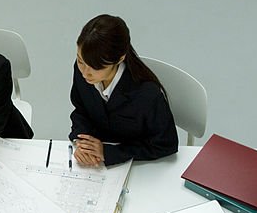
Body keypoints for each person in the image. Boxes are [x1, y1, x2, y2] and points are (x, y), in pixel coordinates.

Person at [68, 14, 178, 166]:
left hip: (138, 166)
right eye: (81, 61)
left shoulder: (147, 94)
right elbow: (81, 110)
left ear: (119, 59)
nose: (85, 72)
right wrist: (83, 142)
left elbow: (166, 144)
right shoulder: (82, 71)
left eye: (96, 67)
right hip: (96, 163)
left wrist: (109, 152)